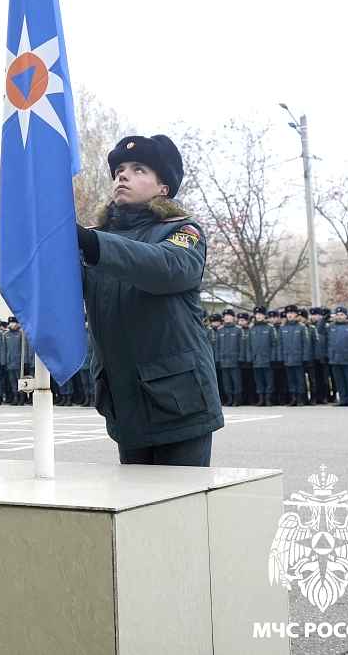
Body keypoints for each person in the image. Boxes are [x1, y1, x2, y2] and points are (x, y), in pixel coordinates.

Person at [78, 134, 223, 466]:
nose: (123, 176)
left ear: (163, 188)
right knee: (134, 498)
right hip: (124, 402)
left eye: (138, 169)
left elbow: (166, 267)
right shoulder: (97, 240)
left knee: (181, 499)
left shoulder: (182, 231)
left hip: (179, 404)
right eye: (119, 171)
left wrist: (93, 244)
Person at [247, 308, 277, 407]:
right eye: (257, 314)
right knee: (258, 379)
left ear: (264, 316)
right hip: (256, 359)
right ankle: (261, 399)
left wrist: (273, 358)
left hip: (267, 358)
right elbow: (249, 345)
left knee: (269, 379)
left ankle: (268, 399)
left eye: (261, 314)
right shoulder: (252, 329)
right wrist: (249, 358)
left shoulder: (270, 328)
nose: (259, 316)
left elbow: (274, 344)